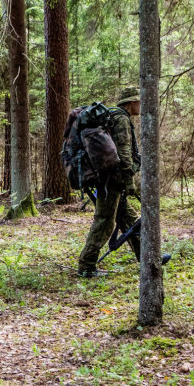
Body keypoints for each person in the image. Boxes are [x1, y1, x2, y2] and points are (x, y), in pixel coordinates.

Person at [76, 86, 168, 277]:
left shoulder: (115, 117)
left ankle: (149, 258)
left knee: (131, 220)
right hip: (112, 181)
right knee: (104, 222)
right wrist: (129, 180)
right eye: (138, 102)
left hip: (110, 179)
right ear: (131, 102)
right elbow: (124, 152)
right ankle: (86, 266)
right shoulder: (121, 119)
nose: (140, 105)